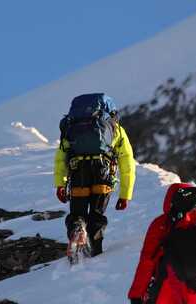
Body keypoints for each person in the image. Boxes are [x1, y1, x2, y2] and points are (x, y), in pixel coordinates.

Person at [54, 93, 136, 259]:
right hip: (102, 173)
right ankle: (95, 251)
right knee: (97, 214)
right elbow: (127, 163)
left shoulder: (72, 125)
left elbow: (60, 158)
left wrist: (60, 184)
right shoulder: (115, 128)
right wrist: (125, 195)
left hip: (78, 172)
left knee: (78, 213)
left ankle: (77, 228)